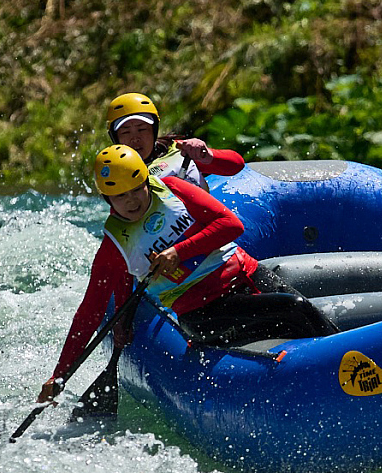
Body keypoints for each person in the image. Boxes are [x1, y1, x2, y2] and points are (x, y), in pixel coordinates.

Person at [37, 145, 335, 403]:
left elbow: (231, 225)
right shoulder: (113, 249)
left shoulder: (174, 189)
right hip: (205, 312)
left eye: (135, 189)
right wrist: (59, 375)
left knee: (307, 311)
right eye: (119, 196)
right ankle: (332, 375)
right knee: (292, 310)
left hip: (246, 273)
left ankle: (341, 361)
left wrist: (179, 251)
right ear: (107, 199)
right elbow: (89, 312)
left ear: (146, 180)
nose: (131, 201)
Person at [106, 92, 245, 191]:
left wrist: (205, 155)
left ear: (154, 131)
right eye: (125, 132)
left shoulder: (180, 150)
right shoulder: (115, 175)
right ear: (115, 138)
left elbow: (236, 166)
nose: (135, 138)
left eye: (142, 129)